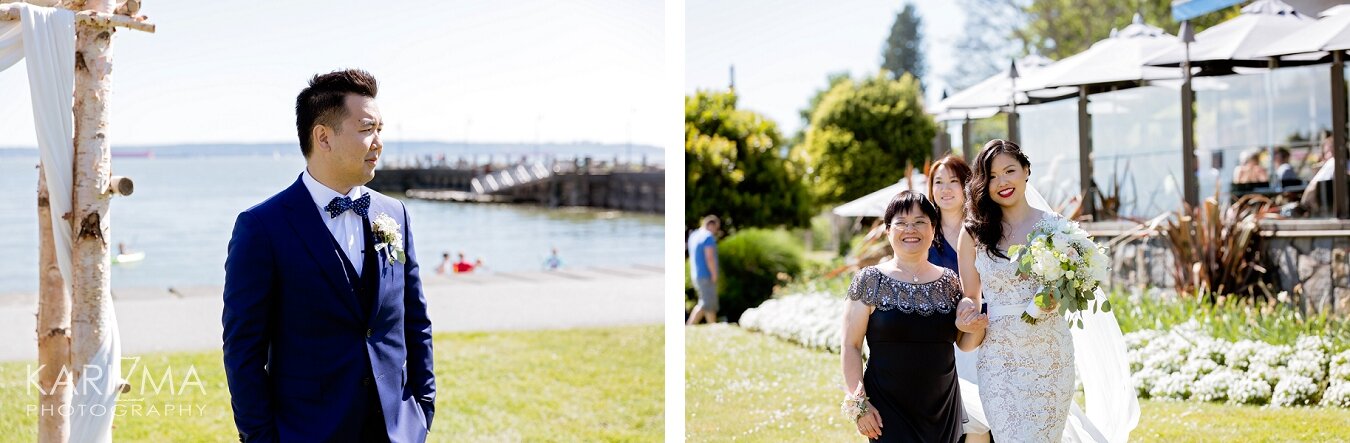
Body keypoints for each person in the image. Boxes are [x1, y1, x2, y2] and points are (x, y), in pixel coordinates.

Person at [222, 69, 435, 442]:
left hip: (397, 429)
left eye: (380, 129)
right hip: (307, 432)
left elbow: (415, 321)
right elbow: (243, 350)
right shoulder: (262, 227)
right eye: (367, 128)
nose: (378, 142)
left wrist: (421, 410)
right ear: (323, 136)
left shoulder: (395, 214)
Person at [958, 139, 1138, 441]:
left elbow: (1082, 280)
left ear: (1026, 170)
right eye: (991, 176)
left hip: (1050, 356)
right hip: (998, 360)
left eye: (1009, 171)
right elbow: (971, 296)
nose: (1002, 182)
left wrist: (1061, 292)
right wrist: (966, 316)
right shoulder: (974, 231)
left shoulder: (1056, 228)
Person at [840, 191, 987, 442]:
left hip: (942, 407)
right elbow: (850, 345)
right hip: (888, 409)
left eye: (920, 222)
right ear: (888, 230)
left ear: (933, 230)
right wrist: (859, 403)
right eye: (901, 222)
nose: (911, 229)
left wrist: (975, 327)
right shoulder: (870, 280)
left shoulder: (950, 282)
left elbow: (964, 344)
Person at [925, 155, 992, 443]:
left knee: (980, 416)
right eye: (938, 182)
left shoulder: (985, 229)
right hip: (939, 337)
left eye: (954, 181)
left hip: (983, 331)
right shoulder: (923, 232)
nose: (946, 188)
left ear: (968, 184)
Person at [686, 215, 720, 325]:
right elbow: (709, 257)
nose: (716, 232)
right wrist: (714, 274)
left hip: (696, 274)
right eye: (716, 228)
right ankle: (712, 326)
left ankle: (690, 326)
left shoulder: (694, 236)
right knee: (709, 303)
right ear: (711, 225)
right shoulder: (708, 237)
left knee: (704, 303)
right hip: (706, 274)